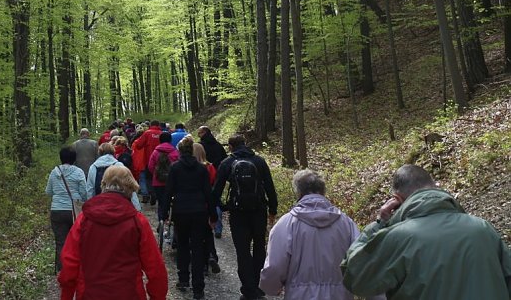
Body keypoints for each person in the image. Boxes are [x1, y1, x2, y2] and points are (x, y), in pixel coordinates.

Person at [341, 164, 511, 299]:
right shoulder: (483, 228)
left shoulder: (398, 238)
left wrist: (380, 223)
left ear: (397, 200)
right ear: (435, 187)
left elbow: (355, 277)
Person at [260, 170, 380, 300]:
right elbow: (361, 261)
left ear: (299, 193)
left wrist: (271, 288)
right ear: (323, 191)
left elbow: (275, 265)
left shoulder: (286, 224)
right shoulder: (346, 224)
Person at [58, 166, 168, 300]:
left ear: (103, 185)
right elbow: (155, 268)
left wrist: (67, 295)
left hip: (90, 294)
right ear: (131, 188)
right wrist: (158, 296)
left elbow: (69, 262)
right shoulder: (137, 222)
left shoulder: (84, 220)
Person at [213, 134, 278, 300]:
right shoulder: (259, 161)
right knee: (259, 248)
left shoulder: (227, 163)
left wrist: (222, 207)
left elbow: (216, 191)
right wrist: (273, 209)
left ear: (230, 146)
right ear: (245, 144)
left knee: (242, 251)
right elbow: (269, 187)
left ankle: (248, 289)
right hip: (259, 210)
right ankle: (258, 287)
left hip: (238, 213)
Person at [164, 137, 218, 300]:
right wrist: (213, 215)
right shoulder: (202, 169)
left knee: (182, 245)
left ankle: (183, 279)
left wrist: (164, 213)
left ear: (180, 151)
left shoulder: (175, 168)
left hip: (181, 211)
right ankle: (198, 288)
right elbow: (208, 193)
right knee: (198, 248)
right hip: (199, 211)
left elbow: (168, 191)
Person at [45, 147, 89, 273]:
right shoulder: (79, 172)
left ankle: (62, 270)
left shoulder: (54, 172)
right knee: (76, 240)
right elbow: (84, 193)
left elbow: (48, 191)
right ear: (74, 159)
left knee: (60, 241)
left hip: (57, 210)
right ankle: (76, 267)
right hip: (74, 210)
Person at [87, 143, 142, 210]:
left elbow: (90, 189)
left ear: (100, 153)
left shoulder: (93, 167)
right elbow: (129, 185)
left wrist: (90, 206)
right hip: (119, 204)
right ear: (113, 151)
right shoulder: (119, 165)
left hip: (100, 204)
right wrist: (137, 207)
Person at [193, 142, 221, 274]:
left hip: (195, 204)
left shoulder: (192, 168)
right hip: (208, 203)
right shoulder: (210, 167)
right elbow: (214, 183)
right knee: (208, 232)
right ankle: (211, 255)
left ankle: (202, 263)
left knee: (196, 235)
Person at [148, 131, 179, 223]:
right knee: (171, 202)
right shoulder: (175, 152)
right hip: (172, 182)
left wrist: (156, 174)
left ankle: (161, 221)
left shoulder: (155, 152)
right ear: (170, 140)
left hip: (158, 182)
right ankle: (170, 219)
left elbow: (150, 166)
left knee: (161, 203)